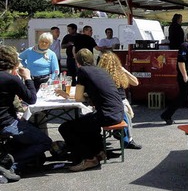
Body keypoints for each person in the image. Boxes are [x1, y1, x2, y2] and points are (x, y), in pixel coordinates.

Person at [56, 48, 124, 171]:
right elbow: (89, 94)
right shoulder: (101, 70)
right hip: (118, 112)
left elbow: (78, 97)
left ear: (77, 61)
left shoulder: (82, 71)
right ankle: (98, 152)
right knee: (86, 122)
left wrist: (66, 95)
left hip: (107, 115)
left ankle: (89, 159)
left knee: (66, 128)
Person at [0, 45, 52, 181]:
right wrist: (27, 77)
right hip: (6, 123)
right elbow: (31, 99)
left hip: (5, 120)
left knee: (26, 130)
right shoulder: (10, 79)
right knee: (45, 142)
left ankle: (7, 156)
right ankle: (10, 164)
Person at [96, 52, 142, 149]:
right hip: (118, 102)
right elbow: (136, 83)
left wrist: (123, 71)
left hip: (107, 104)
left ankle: (122, 133)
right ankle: (128, 138)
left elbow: (135, 82)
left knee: (123, 111)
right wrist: (124, 70)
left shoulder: (100, 76)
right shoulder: (114, 75)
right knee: (125, 112)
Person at [161, 28, 188, 125]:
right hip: (187, 76)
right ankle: (166, 115)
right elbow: (181, 61)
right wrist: (185, 76)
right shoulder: (185, 46)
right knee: (182, 98)